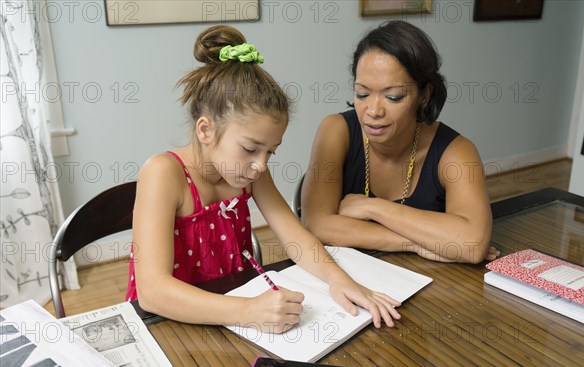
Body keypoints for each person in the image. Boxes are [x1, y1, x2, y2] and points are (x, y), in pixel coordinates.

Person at [126, 25, 400, 333]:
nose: (259, 166)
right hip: (170, 322)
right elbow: (152, 293)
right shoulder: (163, 173)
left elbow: (295, 238)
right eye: (250, 149)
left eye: (270, 152)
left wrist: (340, 281)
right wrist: (247, 311)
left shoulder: (247, 171)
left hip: (233, 314)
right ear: (205, 130)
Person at [301, 20, 497, 264]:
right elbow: (315, 224)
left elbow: (471, 245)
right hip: (346, 275)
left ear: (424, 95)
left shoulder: (456, 152)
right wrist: (416, 243)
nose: (373, 111)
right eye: (362, 93)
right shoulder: (335, 130)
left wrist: (372, 207)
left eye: (393, 97)